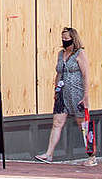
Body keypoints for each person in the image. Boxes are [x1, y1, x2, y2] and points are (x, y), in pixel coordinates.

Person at [35, 26, 96, 166]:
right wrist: (56, 90)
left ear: (73, 39)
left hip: (76, 92)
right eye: (62, 39)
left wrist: (86, 95)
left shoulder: (80, 54)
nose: (64, 41)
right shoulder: (60, 54)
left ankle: (92, 156)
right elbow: (58, 73)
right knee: (57, 123)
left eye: (67, 39)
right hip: (63, 93)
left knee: (83, 124)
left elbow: (86, 75)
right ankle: (49, 154)